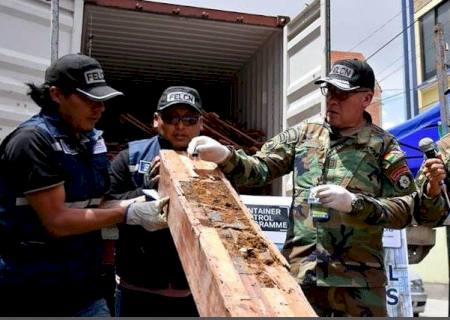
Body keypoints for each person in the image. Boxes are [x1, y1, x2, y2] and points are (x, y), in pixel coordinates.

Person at [187, 59, 419, 317]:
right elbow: (260, 168)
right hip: (303, 277)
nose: (332, 100)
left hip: (359, 286)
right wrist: (225, 156)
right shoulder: (302, 136)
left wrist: (355, 204)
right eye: (329, 91)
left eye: (342, 94)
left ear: (366, 99)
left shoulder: (384, 146)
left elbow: (407, 208)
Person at [0, 54, 169, 316]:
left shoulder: (89, 140)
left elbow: (95, 204)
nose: (99, 108)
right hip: (31, 291)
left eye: (102, 100)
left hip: (82, 288)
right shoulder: (33, 141)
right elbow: (57, 221)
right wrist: (127, 214)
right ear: (57, 95)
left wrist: (141, 202)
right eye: (89, 99)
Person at [108, 86, 201, 316]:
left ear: (201, 123)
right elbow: (103, 205)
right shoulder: (131, 157)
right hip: (137, 292)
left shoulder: (213, 162)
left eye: (188, 119)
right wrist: (146, 192)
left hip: (191, 294)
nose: (180, 126)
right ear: (156, 120)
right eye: (171, 118)